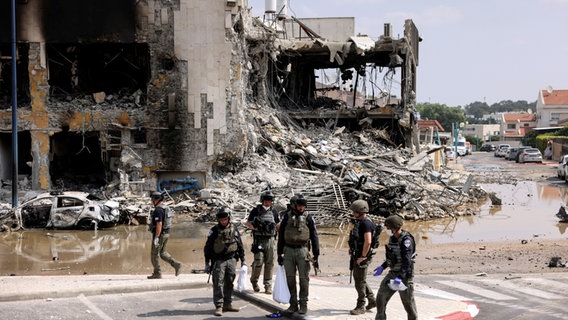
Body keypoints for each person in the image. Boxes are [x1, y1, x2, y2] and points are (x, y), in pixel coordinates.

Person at [276, 194, 320, 315]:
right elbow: (281, 237)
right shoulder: (287, 217)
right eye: (299, 205)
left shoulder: (308, 218)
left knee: (303, 279)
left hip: (303, 250)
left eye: (303, 206)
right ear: (295, 205)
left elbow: (314, 236)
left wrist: (316, 255)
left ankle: (303, 304)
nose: (301, 208)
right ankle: (293, 304)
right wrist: (279, 254)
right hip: (288, 251)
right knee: (290, 278)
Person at [204, 207, 246, 317]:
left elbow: (240, 245)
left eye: (225, 219)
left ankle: (228, 304)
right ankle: (219, 306)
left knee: (230, 282)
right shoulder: (213, 230)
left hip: (232, 259)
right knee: (218, 283)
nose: (223, 222)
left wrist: (243, 260)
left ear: (229, 219)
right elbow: (207, 248)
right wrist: (207, 263)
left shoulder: (234, 229)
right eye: (221, 220)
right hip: (218, 260)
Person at [374, 215, 417, 320]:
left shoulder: (406, 240)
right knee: (381, 296)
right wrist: (383, 266)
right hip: (393, 273)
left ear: (394, 228)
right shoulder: (392, 239)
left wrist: (400, 277)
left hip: (405, 276)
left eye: (388, 228)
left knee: (408, 303)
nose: (387, 230)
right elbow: (392, 257)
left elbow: (407, 261)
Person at [246, 191, 280, 294]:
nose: (267, 203)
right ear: (262, 201)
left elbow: (278, 224)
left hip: (270, 240)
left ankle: (268, 285)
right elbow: (248, 223)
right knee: (258, 261)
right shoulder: (256, 211)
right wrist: (255, 228)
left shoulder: (274, 211)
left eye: (269, 201)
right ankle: (254, 281)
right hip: (259, 240)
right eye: (265, 201)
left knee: (270, 263)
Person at [348, 199, 378, 315]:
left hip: (362, 255)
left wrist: (363, 256)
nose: (353, 213)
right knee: (360, 279)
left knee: (359, 282)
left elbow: (368, 241)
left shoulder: (366, 223)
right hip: (358, 254)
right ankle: (372, 300)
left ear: (360, 212)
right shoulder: (360, 221)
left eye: (354, 212)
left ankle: (361, 305)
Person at [147, 191, 181, 279]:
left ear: (156, 200)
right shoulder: (166, 208)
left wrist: (157, 237)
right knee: (162, 253)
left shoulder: (158, 210)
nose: (151, 201)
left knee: (154, 254)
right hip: (166, 234)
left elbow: (159, 224)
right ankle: (176, 264)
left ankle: (157, 273)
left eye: (152, 200)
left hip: (160, 234)